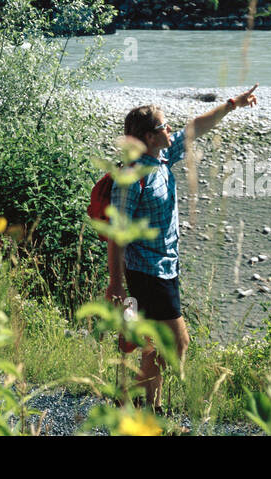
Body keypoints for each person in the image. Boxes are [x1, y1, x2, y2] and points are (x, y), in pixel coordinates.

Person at [106, 86, 259, 410]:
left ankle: (151, 407)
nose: (170, 130)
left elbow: (196, 128)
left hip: (166, 267)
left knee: (151, 342)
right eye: (164, 126)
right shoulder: (133, 177)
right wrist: (116, 284)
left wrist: (233, 104)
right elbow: (116, 235)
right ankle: (127, 397)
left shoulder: (163, 156)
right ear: (149, 137)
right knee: (178, 343)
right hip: (147, 272)